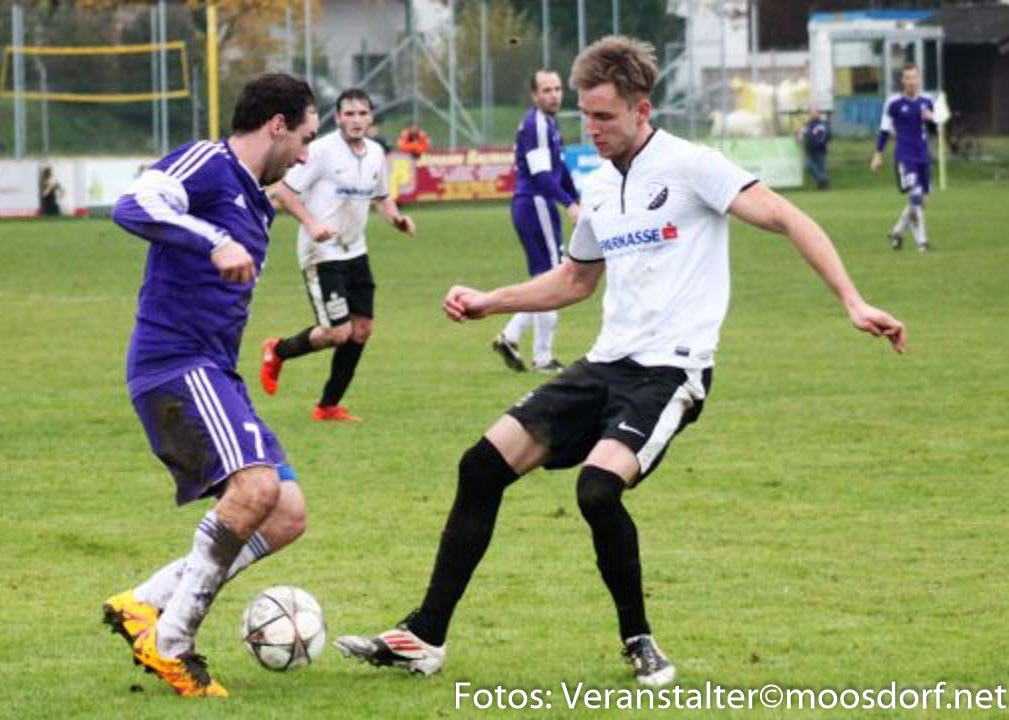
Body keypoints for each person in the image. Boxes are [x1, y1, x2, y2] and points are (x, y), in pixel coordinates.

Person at [335, 35, 906, 687]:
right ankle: (424, 636)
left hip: (672, 371)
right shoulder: (601, 187)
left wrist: (853, 301)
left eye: (604, 117)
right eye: (585, 116)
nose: (593, 129)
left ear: (641, 109)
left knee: (598, 489)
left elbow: (787, 218)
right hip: (605, 364)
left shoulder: (692, 166)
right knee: (480, 466)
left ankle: (638, 640)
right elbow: (576, 281)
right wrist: (492, 301)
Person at [103, 73, 319, 698]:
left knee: (286, 514)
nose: (306, 154)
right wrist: (215, 238)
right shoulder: (209, 162)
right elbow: (132, 205)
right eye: (304, 137)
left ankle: (143, 603)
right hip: (175, 365)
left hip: (214, 371)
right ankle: (172, 645)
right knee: (254, 490)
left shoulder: (255, 196)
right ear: (276, 124)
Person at [262, 88, 415, 422]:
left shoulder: (375, 153)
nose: (356, 120)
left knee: (361, 330)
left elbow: (382, 198)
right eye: (349, 114)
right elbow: (284, 192)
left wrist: (397, 219)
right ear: (338, 118)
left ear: (370, 117)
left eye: (362, 113)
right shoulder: (320, 151)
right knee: (337, 332)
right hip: (322, 252)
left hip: (355, 250)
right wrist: (312, 224)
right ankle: (278, 350)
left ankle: (328, 406)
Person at [492, 69, 580, 374]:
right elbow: (543, 176)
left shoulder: (548, 124)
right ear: (534, 95)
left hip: (531, 204)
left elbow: (559, 169)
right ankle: (542, 356)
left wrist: (576, 197)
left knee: (546, 277)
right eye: (546, 90)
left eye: (557, 89)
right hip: (536, 203)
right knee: (556, 276)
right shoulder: (537, 125)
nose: (554, 95)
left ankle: (511, 336)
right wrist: (569, 204)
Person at [870, 63, 934, 252]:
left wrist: (931, 119)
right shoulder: (894, 103)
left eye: (914, 77)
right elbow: (884, 130)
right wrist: (878, 154)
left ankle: (896, 232)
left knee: (921, 202)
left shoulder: (927, 101)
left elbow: (935, 129)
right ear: (902, 80)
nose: (911, 81)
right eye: (907, 78)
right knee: (915, 197)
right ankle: (922, 243)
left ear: (919, 79)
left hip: (923, 156)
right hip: (905, 157)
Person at [800, 106, 830, 190]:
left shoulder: (822, 124)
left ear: (818, 114)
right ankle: (823, 180)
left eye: (815, 112)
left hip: (820, 150)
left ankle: (822, 187)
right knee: (808, 166)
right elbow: (802, 133)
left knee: (821, 168)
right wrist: (800, 135)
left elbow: (824, 137)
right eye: (811, 113)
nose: (812, 114)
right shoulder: (807, 124)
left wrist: (817, 143)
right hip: (809, 149)